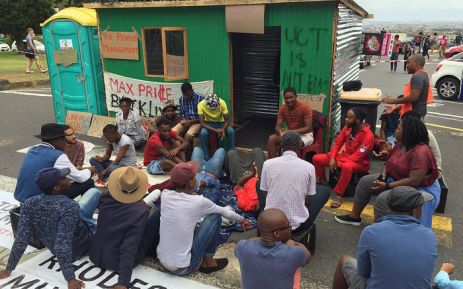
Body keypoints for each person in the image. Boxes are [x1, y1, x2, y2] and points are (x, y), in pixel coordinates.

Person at [0, 167, 100, 289]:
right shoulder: (70, 207)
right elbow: (62, 244)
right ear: (56, 188)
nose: (68, 179)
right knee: (95, 196)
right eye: (63, 178)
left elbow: (21, 238)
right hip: (77, 249)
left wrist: (8, 269)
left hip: (59, 241)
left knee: (91, 197)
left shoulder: (29, 203)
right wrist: (70, 279)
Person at [335, 116, 440, 228]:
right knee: (365, 182)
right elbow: (389, 162)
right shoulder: (401, 144)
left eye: (399, 128)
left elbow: (414, 180)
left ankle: (382, 231)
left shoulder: (420, 152)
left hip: (417, 187)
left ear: (408, 132)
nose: (396, 130)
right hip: (396, 179)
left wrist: (387, 186)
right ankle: (354, 217)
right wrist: (383, 177)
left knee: (383, 200)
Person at [156, 162, 252, 275]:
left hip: (162, 261)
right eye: (194, 176)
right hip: (183, 268)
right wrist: (243, 220)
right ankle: (208, 262)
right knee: (215, 217)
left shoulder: (165, 195)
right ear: (190, 182)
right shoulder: (199, 202)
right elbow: (226, 212)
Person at [332, 186, 437, 289]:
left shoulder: (371, 232)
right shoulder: (430, 236)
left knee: (344, 260)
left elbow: (363, 271)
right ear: (414, 211)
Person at [89, 167, 161, 289]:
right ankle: (147, 203)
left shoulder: (105, 196)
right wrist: (123, 282)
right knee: (158, 213)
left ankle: (145, 203)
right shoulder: (140, 211)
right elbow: (129, 248)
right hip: (116, 261)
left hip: (96, 255)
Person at [260, 131, 330, 238]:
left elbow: (264, 192)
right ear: (299, 147)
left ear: (281, 145)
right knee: (323, 191)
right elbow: (306, 201)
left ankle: (265, 213)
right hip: (297, 225)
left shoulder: (268, 164)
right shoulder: (309, 167)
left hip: (270, 221)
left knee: (258, 184)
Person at [14, 123, 96, 202]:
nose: (65, 143)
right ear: (57, 140)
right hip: (40, 202)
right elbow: (80, 178)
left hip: (21, 198)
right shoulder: (57, 155)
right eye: (64, 140)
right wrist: (89, 170)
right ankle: (83, 212)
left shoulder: (32, 149)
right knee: (88, 182)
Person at [312, 108, 374, 208]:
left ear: (358, 120)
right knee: (317, 158)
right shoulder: (348, 127)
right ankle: (322, 180)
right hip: (343, 156)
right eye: (346, 116)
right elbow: (337, 143)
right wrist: (332, 159)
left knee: (347, 167)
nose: (346, 119)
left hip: (360, 163)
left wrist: (338, 162)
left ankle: (338, 195)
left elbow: (358, 156)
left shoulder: (368, 136)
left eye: (349, 117)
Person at [235, 208, 311, 289]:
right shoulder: (293, 253)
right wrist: (291, 241)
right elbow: (308, 256)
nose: (290, 229)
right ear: (276, 234)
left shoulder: (242, 247)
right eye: (288, 226)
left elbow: (250, 241)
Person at [267, 87, 313, 159]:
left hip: (305, 135)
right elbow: (278, 126)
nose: (289, 100)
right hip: (288, 134)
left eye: (291, 97)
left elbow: (308, 128)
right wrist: (282, 134)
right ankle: (272, 164)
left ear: (296, 96)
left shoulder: (305, 107)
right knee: (272, 139)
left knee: (291, 144)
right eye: (286, 98)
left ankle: (294, 167)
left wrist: (290, 132)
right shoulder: (282, 108)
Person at [382, 54, 433, 119]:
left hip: (414, 117)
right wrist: (396, 107)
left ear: (416, 63)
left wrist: (393, 101)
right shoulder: (423, 74)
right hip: (419, 114)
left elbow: (413, 98)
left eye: (408, 63)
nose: (406, 65)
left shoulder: (417, 77)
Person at [198, 93, 235, 158]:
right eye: (211, 108)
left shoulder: (222, 103)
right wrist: (215, 130)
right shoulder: (201, 104)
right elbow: (202, 123)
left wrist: (223, 129)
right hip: (208, 123)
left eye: (215, 108)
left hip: (221, 123)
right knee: (203, 133)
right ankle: (206, 157)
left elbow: (227, 121)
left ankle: (232, 155)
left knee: (231, 131)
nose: (213, 110)